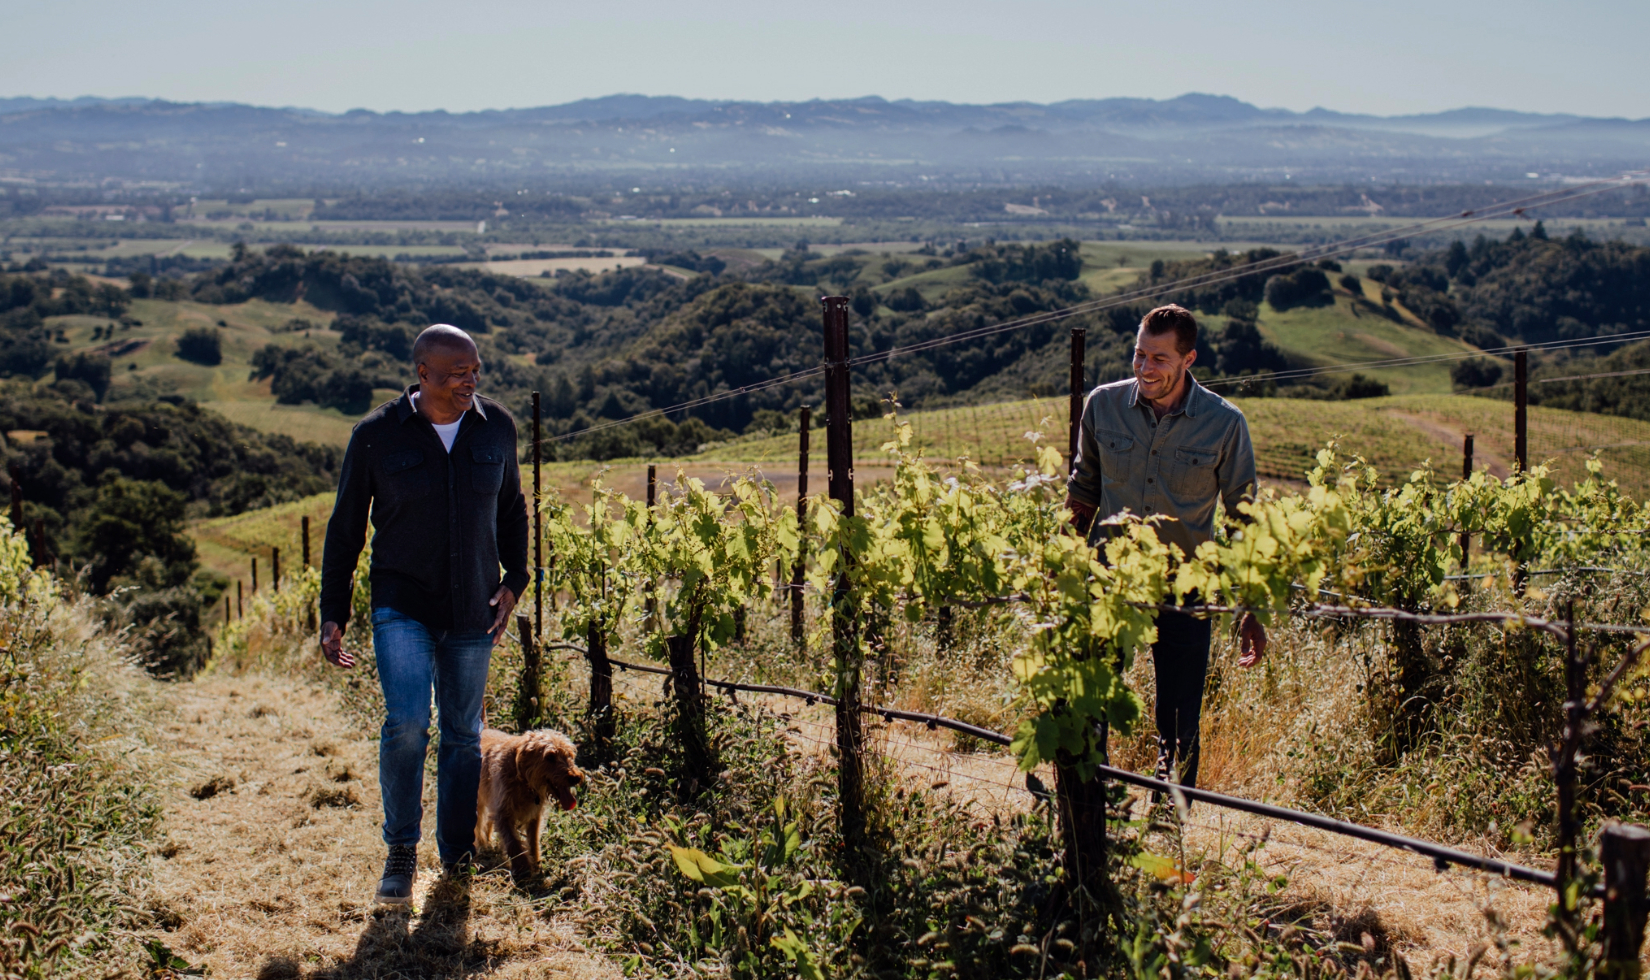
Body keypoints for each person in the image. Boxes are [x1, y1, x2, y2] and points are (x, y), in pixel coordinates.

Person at [319, 324, 529, 904]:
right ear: (424, 374)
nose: (472, 380)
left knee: (463, 734)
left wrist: (516, 581)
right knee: (408, 724)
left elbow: (512, 509)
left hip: (474, 606)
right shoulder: (375, 437)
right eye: (459, 371)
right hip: (402, 602)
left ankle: (457, 854)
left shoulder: (499, 428)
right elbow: (344, 530)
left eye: (476, 369)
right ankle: (401, 852)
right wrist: (332, 610)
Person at [1065, 304, 1266, 791]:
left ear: (1188, 358)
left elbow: (1243, 520)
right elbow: (1083, 491)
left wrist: (1250, 608)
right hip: (1109, 580)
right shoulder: (1103, 405)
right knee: (1089, 701)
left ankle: (1167, 830)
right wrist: (1064, 566)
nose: (1145, 368)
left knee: (1178, 722)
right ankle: (1090, 813)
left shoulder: (1224, 423)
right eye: (1139, 355)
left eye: (1159, 358)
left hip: (1186, 589)